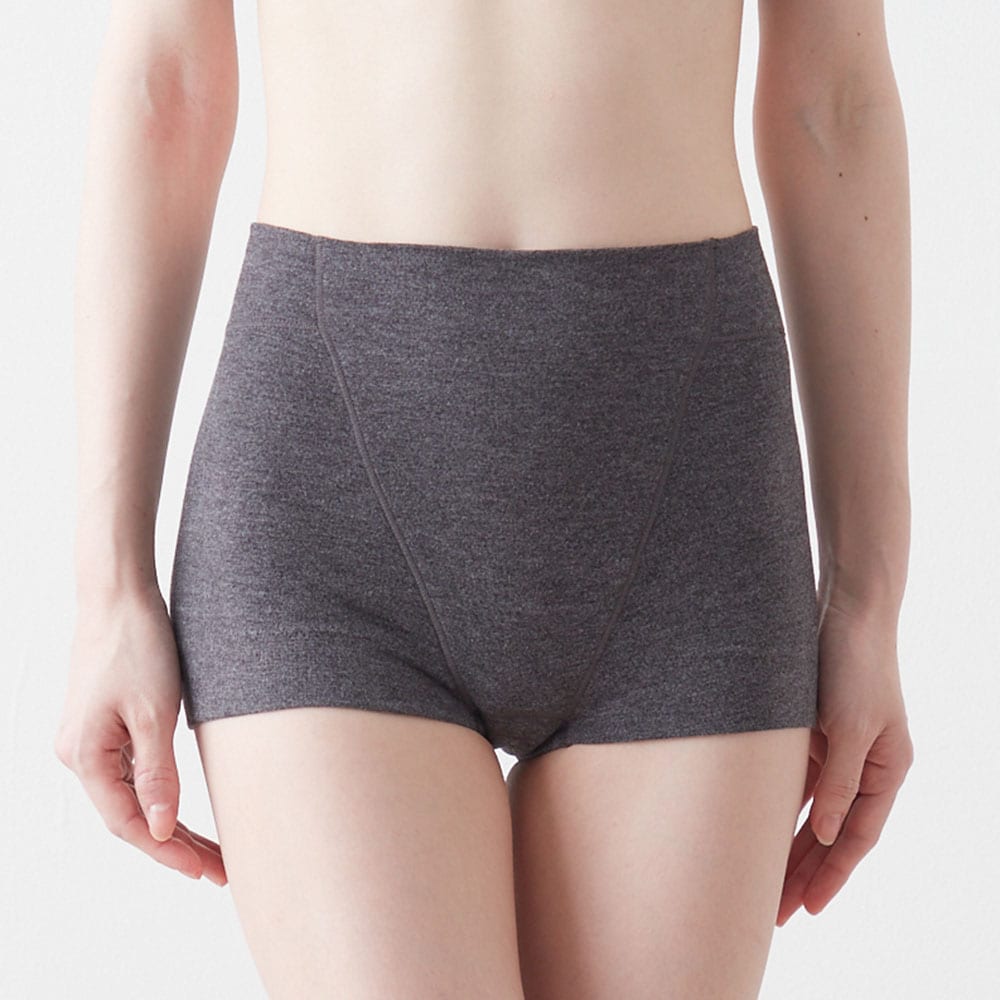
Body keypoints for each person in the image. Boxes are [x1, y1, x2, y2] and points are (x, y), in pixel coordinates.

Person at [54, 1, 915, 997]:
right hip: (328, 489)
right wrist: (109, 588)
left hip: (689, 492)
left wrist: (868, 600)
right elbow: (164, 84)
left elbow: (834, 101)